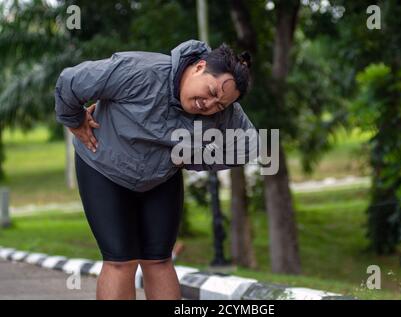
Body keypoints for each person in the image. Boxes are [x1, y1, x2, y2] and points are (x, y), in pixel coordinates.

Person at [54, 39, 256, 300]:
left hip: (161, 177)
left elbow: (248, 146)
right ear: (199, 67)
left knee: (159, 260)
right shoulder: (139, 70)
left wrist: (189, 158)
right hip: (103, 168)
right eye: (210, 91)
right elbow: (71, 81)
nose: (209, 104)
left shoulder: (223, 113)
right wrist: (75, 120)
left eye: (220, 104)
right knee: (120, 261)